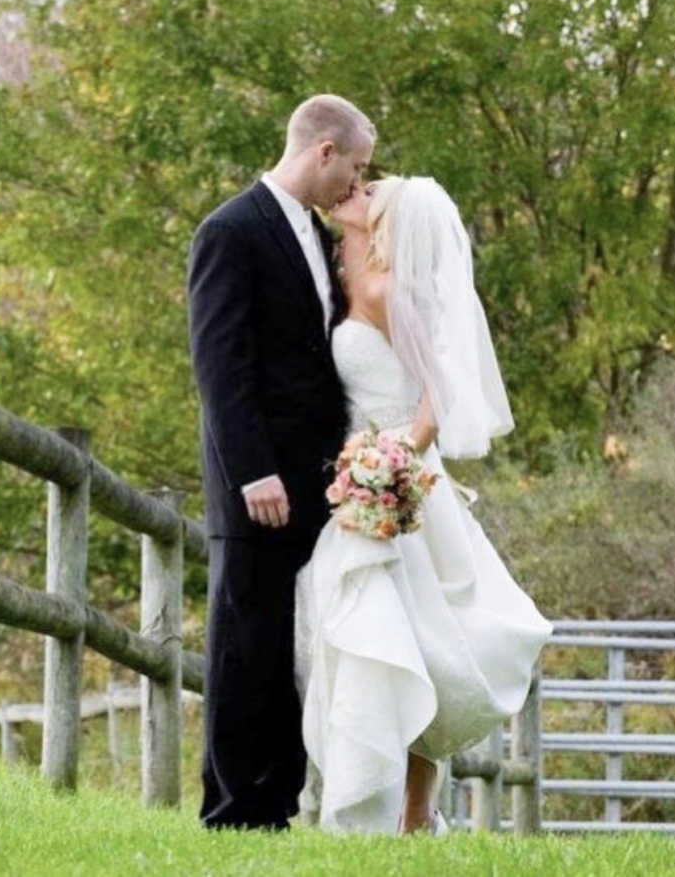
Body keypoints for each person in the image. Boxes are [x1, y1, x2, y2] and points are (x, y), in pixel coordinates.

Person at [294, 176, 552, 835]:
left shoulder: (389, 290)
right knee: (359, 638)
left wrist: (394, 459)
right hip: (345, 479)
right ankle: (354, 798)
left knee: (409, 639)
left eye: (370, 188)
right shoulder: (331, 267)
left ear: (388, 218)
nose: (357, 188)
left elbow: (437, 394)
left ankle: (411, 813)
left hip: (393, 483)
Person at [187, 95, 375, 830]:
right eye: (354, 167)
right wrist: (251, 470)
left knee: (290, 645)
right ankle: (233, 809)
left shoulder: (313, 234)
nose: (355, 184)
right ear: (323, 151)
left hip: (316, 481)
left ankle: (278, 801)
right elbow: (221, 365)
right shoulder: (230, 230)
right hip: (258, 481)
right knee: (245, 643)